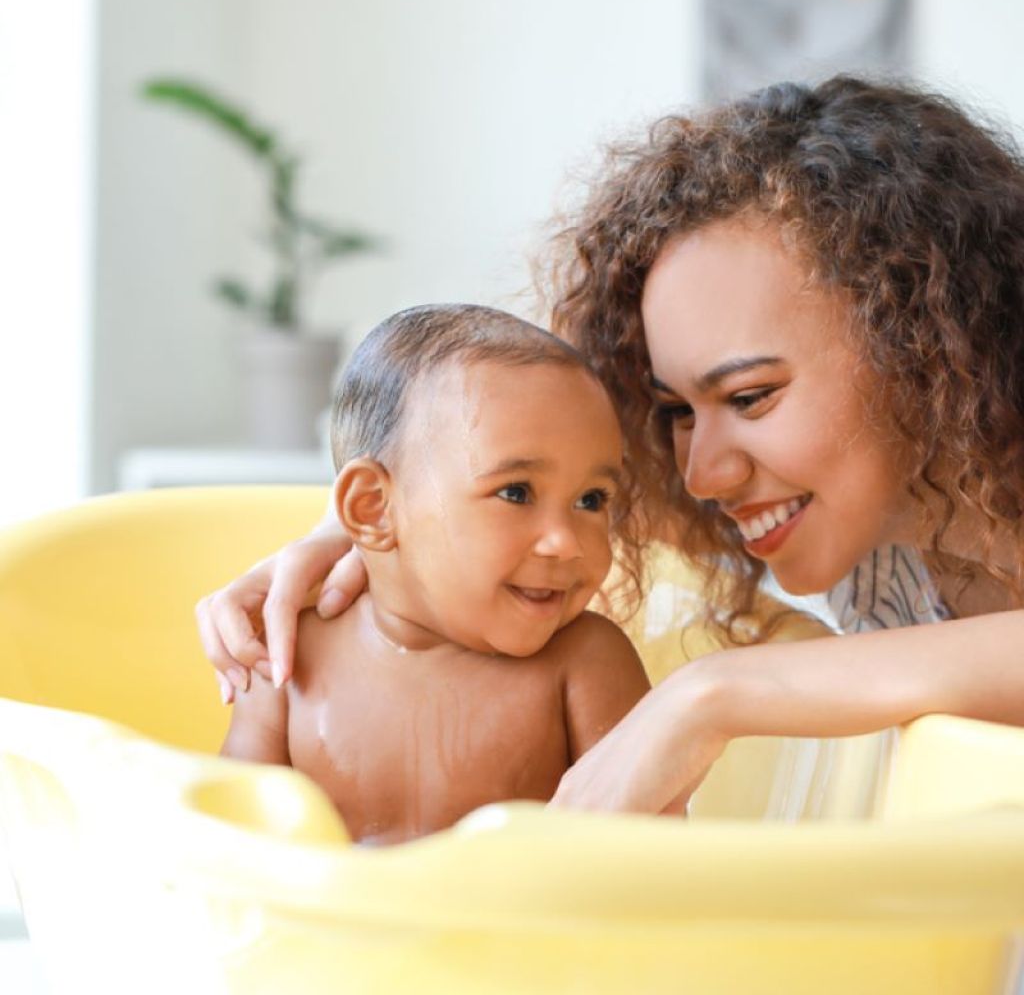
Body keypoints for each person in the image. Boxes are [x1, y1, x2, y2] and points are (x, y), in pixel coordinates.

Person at [199, 76, 1024, 817]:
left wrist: (711, 693)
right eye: (677, 410)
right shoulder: (870, 514)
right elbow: (508, 431)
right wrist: (353, 533)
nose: (702, 475)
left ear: (923, 347)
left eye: (749, 397)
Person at [220, 303, 650, 843]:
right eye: (516, 493)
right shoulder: (287, 660)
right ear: (373, 508)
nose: (565, 542)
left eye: (592, 500)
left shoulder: (587, 664)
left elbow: (647, 862)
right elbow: (229, 846)